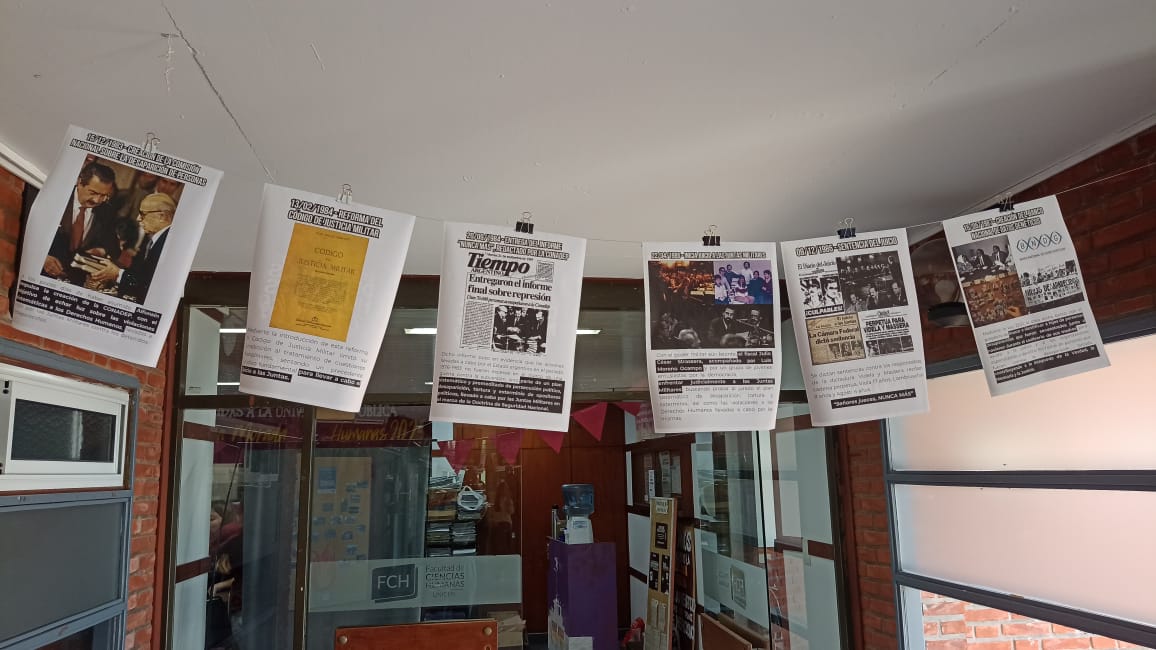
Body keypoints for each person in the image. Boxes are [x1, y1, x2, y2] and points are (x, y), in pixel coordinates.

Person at [79, 193, 176, 303]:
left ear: (162, 216)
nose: (138, 218)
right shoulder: (160, 240)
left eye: (143, 214)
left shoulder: (168, 244)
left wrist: (117, 274)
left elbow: (149, 285)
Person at [43, 162, 122, 286]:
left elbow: (114, 249)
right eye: (93, 192)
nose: (97, 200)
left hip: (76, 282)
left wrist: (101, 251)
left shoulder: (107, 212)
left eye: (103, 195)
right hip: (43, 275)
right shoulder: (56, 197)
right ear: (79, 182)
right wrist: (43, 257)